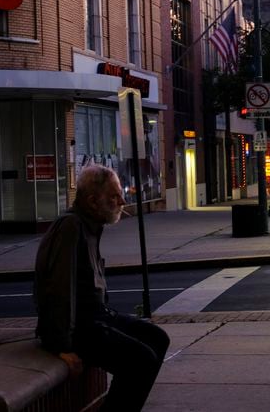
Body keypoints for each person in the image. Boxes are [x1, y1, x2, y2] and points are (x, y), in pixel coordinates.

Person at [34, 164, 170, 412]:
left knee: (157, 338)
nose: (122, 200)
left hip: (97, 316)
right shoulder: (71, 227)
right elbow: (59, 290)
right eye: (114, 196)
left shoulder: (91, 225)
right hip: (80, 327)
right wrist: (61, 346)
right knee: (140, 360)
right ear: (93, 200)